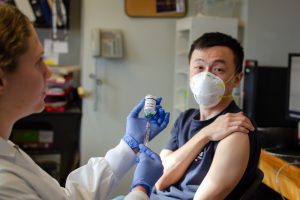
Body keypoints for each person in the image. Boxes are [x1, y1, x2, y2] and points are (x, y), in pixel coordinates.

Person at [0, 3, 170, 200]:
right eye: (38, 61)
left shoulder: (7, 151)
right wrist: (140, 190)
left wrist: (129, 145)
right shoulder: (4, 184)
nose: (48, 72)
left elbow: (68, 197)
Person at [150, 32, 261, 200]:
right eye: (199, 67)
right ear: (189, 72)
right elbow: (159, 179)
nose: (206, 76)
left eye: (218, 69)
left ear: (237, 79)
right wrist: (206, 133)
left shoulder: (237, 129)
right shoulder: (185, 119)